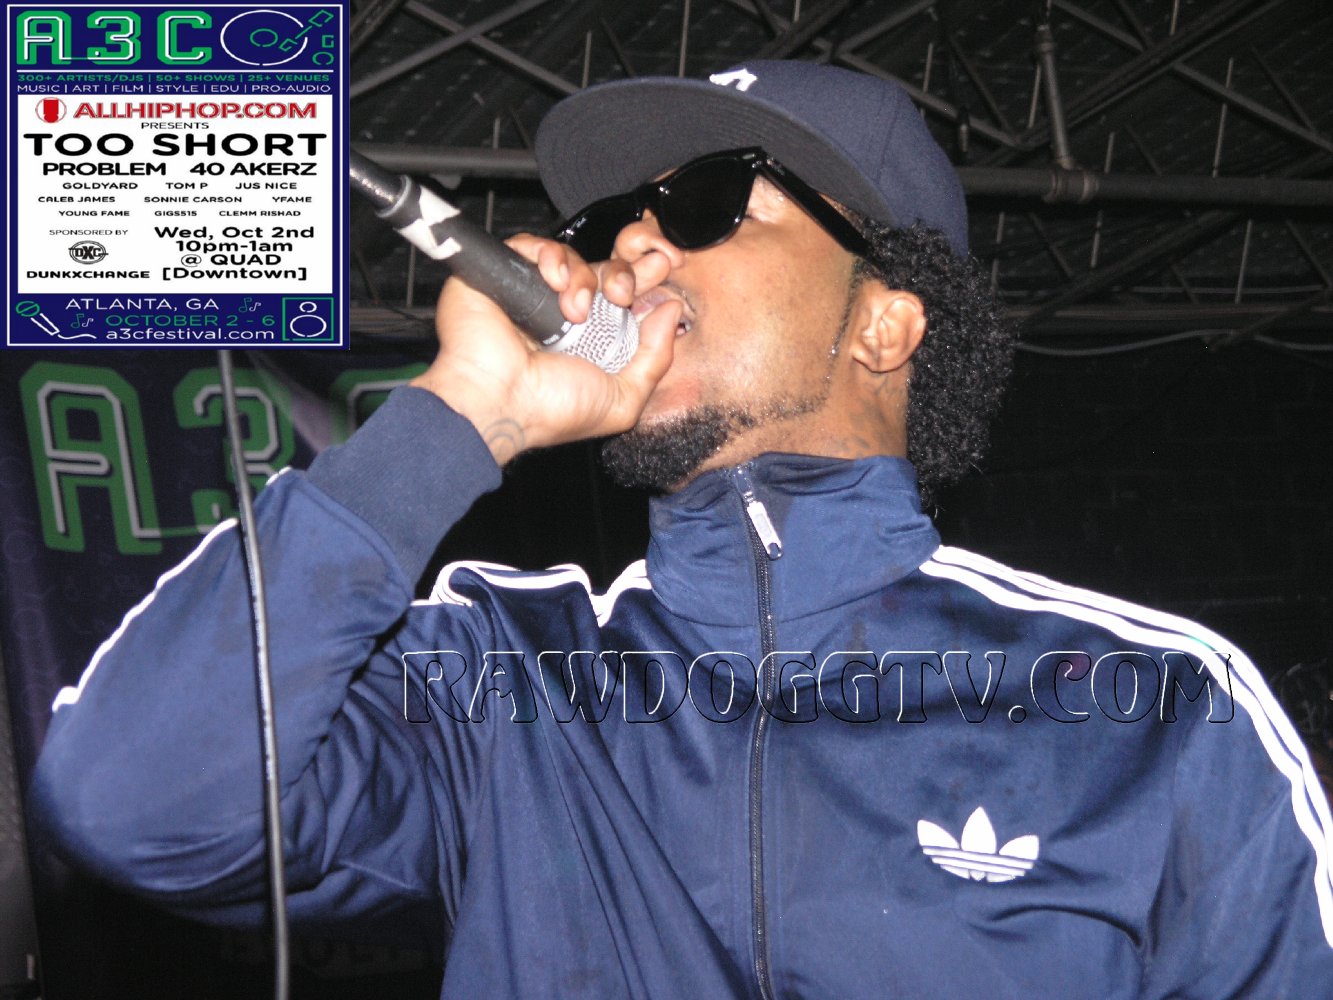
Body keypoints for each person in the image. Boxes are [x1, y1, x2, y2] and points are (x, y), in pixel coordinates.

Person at [31, 61, 1333, 998]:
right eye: (615, 224)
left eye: (711, 200)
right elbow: (133, 805)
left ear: (884, 323)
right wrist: (463, 415)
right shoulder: (506, 683)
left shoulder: (1155, 715)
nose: (635, 250)